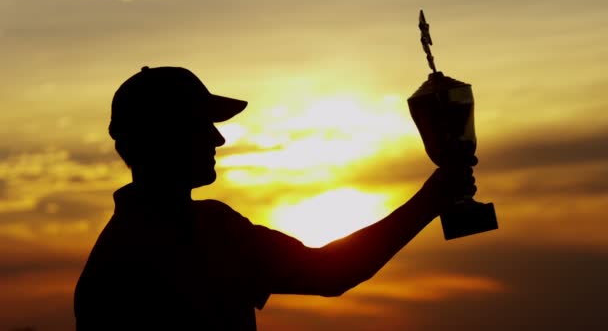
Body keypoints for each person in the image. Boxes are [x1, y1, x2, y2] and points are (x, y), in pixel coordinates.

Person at [73, 66, 477, 330]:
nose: (218, 138)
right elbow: (332, 273)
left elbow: (331, 272)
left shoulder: (212, 226)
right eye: (200, 125)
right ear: (163, 137)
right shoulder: (136, 261)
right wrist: (429, 201)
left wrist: (431, 200)